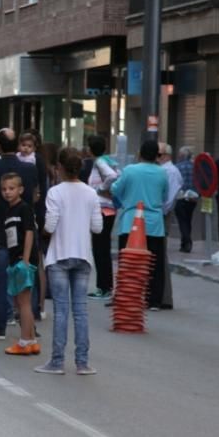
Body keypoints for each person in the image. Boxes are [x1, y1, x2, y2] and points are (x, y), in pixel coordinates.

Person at [35, 148, 102, 376]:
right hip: (83, 255)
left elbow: (51, 225)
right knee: (81, 311)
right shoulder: (91, 193)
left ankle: (57, 361)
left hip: (59, 254)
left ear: (59, 168)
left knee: (61, 310)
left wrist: (43, 230)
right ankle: (82, 362)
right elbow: (97, 227)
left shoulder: (55, 192)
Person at [0, 128, 37, 339]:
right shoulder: (29, 168)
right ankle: (29, 327)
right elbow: (35, 195)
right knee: (28, 281)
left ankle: (0, 325)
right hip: (24, 231)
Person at [111, 140, 170, 310]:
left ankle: (128, 296)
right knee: (155, 264)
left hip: (131, 222)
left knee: (128, 263)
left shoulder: (130, 170)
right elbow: (165, 195)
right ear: (156, 156)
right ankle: (154, 300)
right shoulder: (162, 173)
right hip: (154, 224)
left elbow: (116, 189)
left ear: (139, 153)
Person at [0, 173, 40, 356]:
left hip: (23, 260)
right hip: (14, 258)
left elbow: (29, 232)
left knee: (23, 302)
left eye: (11, 188)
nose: (7, 192)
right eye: (4, 189)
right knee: (20, 301)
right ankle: (31, 340)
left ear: (21, 190)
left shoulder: (24, 208)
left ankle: (23, 342)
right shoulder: (8, 211)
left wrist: (25, 259)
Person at [85, 135, 119, 300]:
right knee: (102, 249)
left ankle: (104, 288)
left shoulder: (99, 162)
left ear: (90, 150)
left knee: (100, 250)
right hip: (109, 210)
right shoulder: (110, 160)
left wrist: (99, 189)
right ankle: (106, 286)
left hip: (102, 210)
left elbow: (112, 177)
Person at [157, 143, 182, 310]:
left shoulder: (170, 171)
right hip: (159, 214)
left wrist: (159, 211)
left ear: (165, 155)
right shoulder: (163, 171)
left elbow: (169, 199)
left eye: (158, 155)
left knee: (160, 255)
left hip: (162, 216)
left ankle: (164, 297)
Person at [174, 146, 197, 253]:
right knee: (188, 220)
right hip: (192, 198)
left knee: (182, 221)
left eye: (179, 154)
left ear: (182, 155)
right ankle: (184, 243)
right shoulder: (195, 167)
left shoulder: (177, 167)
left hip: (181, 197)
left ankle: (187, 241)